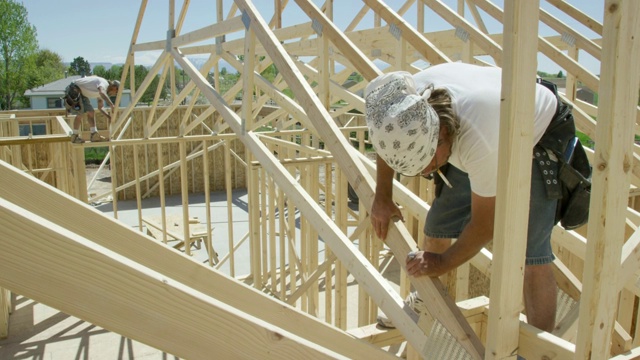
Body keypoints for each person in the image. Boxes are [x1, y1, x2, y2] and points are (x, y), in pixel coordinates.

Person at [366, 62, 563, 332]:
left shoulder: (480, 139)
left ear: (443, 134)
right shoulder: (403, 108)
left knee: (530, 255)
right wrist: (383, 195)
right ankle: (426, 301)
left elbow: (485, 224)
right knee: (438, 224)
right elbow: (387, 139)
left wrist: (444, 262)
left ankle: (541, 350)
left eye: (428, 163)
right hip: (484, 122)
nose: (426, 171)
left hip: (535, 131)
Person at [64, 76, 119, 143]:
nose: (115, 94)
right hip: (74, 89)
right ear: (114, 87)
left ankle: (94, 135)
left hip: (82, 93)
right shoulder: (104, 84)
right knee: (80, 113)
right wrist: (111, 105)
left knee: (91, 112)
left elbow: (100, 107)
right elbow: (102, 92)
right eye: (116, 91)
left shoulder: (103, 90)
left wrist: (109, 117)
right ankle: (74, 136)